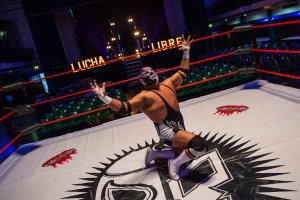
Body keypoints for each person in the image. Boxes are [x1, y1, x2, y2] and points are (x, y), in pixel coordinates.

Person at [90, 35, 208, 181]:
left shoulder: (168, 83)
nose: (151, 76)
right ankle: (174, 165)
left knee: (185, 152)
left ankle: (154, 153)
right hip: (168, 131)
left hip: (179, 127)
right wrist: (104, 97)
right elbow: (124, 108)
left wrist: (186, 52)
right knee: (200, 145)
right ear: (143, 81)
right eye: (147, 76)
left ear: (156, 73)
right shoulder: (144, 96)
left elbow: (184, 71)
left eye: (151, 73)